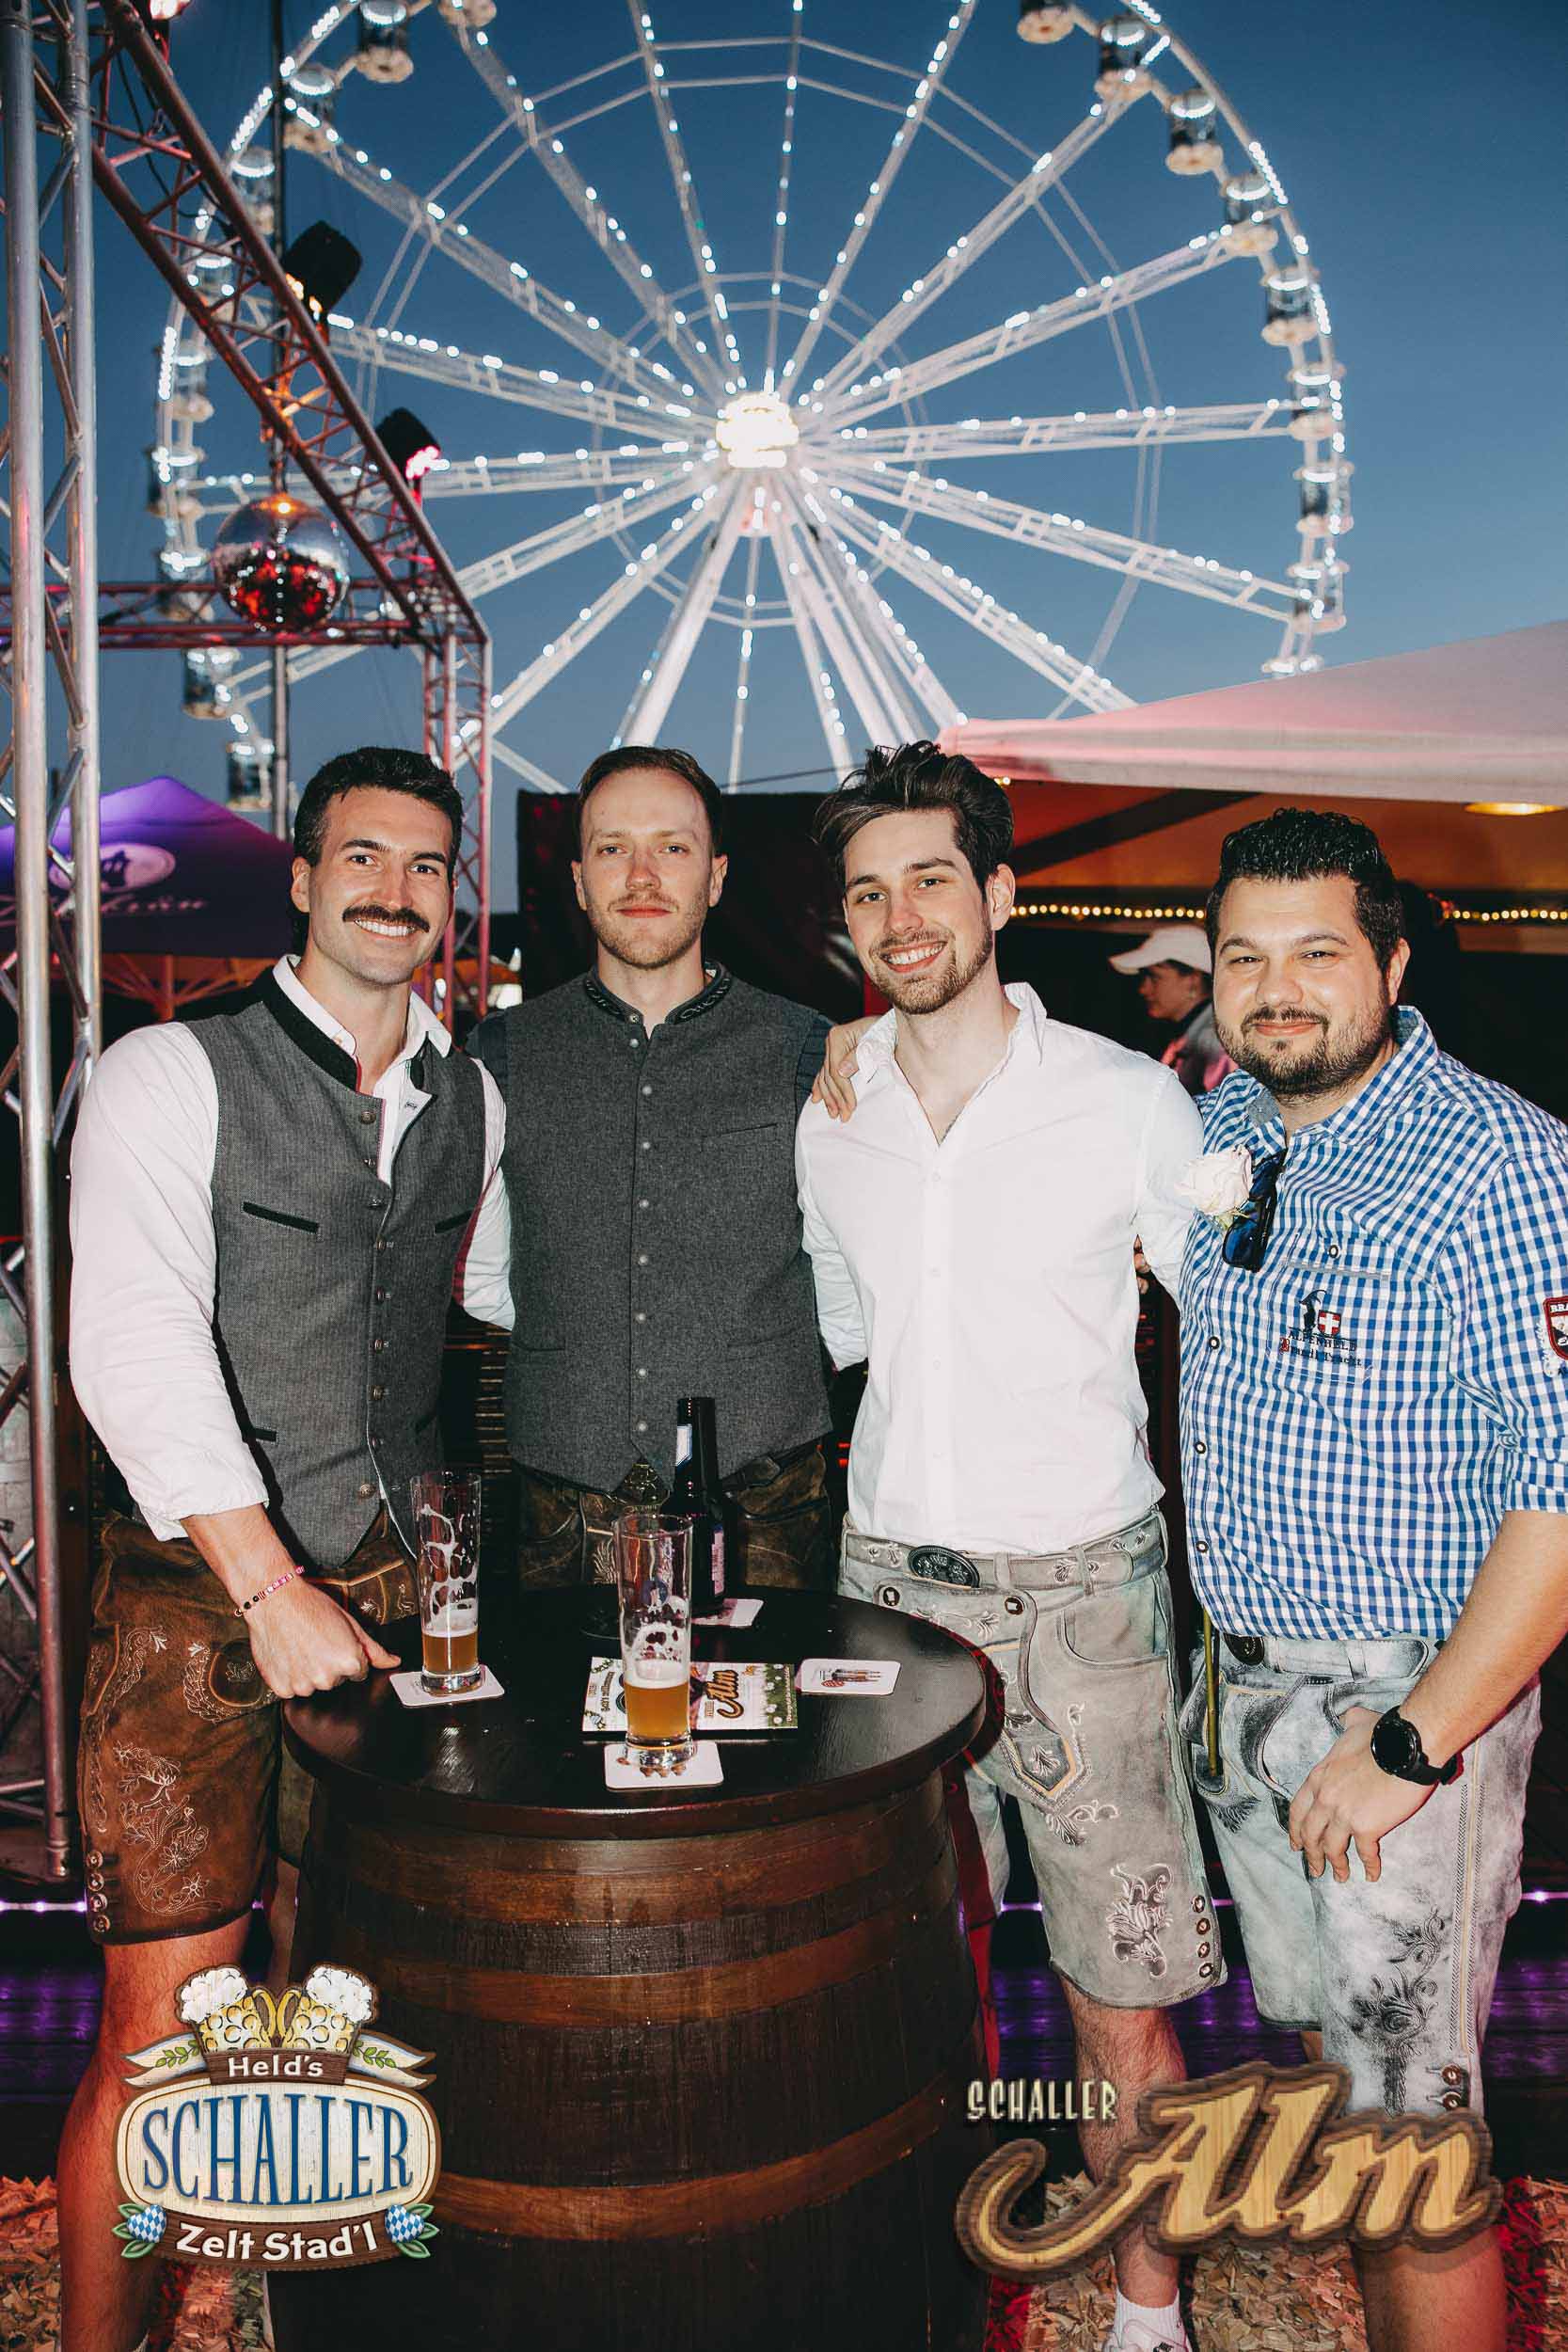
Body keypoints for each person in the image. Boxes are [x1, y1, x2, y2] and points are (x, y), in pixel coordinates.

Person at [58, 745, 511, 2352]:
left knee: (343, 2011)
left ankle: (299, 2320)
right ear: (305, 878)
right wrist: (266, 1583)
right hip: (196, 1605)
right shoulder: (168, 1073)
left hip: (390, 1605)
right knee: (162, 2035)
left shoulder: (472, 1097)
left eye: (427, 866)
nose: (396, 891)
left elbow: (495, 1289)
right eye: (363, 859)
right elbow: (130, 1341)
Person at [798, 742, 1218, 2352]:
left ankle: (1146, 2317)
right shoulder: (830, 1118)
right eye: (867, 893)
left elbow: (1227, 1318)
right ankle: (931, 2292)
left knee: (1122, 1991)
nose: (900, 916)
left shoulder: (1123, 1099)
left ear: (997, 893)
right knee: (907, 1983)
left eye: (929, 879)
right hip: (887, 1599)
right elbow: (847, 1328)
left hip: (1084, 1598)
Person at [1181, 806, 1568, 2352]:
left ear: (1391, 965)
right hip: (1245, 1690)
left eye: (1315, 954)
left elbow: (1562, 1496)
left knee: (1415, 2157)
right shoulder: (1227, 1117)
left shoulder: (1501, 1165)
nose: (1273, 991)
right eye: (1241, 958)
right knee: (1345, 2100)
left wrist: (1408, 1746)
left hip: (1399, 1709)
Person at [470, 745, 835, 1589]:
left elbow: (853, 1273)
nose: (641, 875)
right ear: (577, 880)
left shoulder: (809, 1050)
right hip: (560, 1508)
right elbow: (479, 1275)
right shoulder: (498, 1054)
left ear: (715, 876)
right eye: (612, 848)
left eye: (672, 847)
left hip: (764, 1509)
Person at [1108, 923, 1234, 1095]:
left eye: (1154, 977)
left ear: (1192, 981)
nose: (1144, 989)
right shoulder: (1192, 1036)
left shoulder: (1215, 1043)